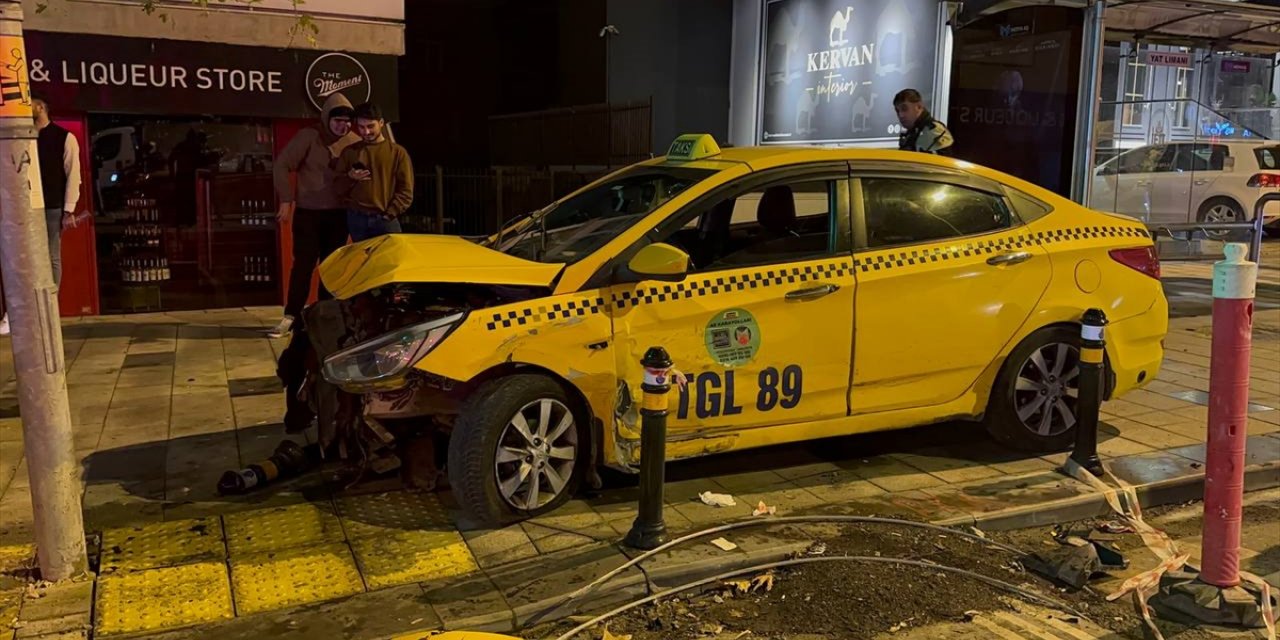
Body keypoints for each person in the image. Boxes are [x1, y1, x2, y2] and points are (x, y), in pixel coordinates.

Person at [267, 94, 361, 339]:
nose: (343, 126)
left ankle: (325, 316)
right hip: (309, 213)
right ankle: (292, 316)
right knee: (304, 266)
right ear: (327, 118)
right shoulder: (309, 136)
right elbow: (281, 165)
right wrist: (286, 199)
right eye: (338, 120)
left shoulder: (353, 142)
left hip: (338, 214)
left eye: (347, 121)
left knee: (331, 267)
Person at [1, 98, 82, 336]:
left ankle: (49, 304)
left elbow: (73, 173)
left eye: (32, 104)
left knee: (50, 254)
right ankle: (17, 311)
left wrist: (69, 209)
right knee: (18, 255)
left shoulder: (64, 137)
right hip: (23, 206)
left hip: (51, 205)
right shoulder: (22, 137)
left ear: (42, 107)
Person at [335, 102, 414, 242]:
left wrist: (390, 214)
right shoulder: (349, 152)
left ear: (381, 123)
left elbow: (406, 191)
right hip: (357, 219)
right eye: (361, 127)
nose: (366, 132)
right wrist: (350, 177)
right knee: (362, 262)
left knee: (390, 261)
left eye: (370, 126)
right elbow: (337, 187)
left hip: (385, 219)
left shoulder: (397, 153)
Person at [894, 89, 954, 156]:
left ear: (919, 107)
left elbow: (939, 164)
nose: (900, 115)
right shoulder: (912, 133)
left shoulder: (934, 131)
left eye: (904, 108)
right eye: (897, 111)